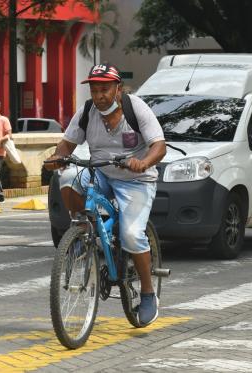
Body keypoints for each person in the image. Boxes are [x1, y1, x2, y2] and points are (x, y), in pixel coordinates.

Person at [44, 62, 166, 326]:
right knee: (66, 177)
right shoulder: (87, 111)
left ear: (118, 89)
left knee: (132, 236)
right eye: (95, 90)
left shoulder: (136, 109)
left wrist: (143, 162)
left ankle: (147, 293)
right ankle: (83, 230)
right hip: (101, 173)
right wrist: (58, 157)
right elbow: (67, 143)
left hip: (136, 180)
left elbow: (159, 146)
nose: (99, 96)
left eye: (105, 89)